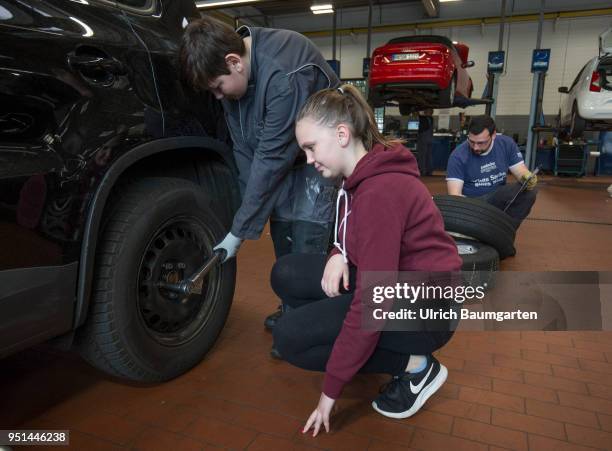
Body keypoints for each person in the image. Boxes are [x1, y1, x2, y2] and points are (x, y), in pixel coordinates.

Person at [271, 85, 462, 435]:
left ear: (342, 134)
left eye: (311, 148)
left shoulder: (379, 192)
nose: (309, 160)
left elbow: (374, 299)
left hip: (427, 311)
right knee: (286, 273)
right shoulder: (357, 177)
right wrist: (337, 253)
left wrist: (331, 391)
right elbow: (354, 238)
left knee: (289, 339)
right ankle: (355, 340)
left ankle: (417, 366)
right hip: (396, 284)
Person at [180, 18, 340, 331]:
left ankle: (311, 321)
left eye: (217, 87)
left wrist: (238, 232)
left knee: (308, 236)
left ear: (234, 62)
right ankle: (293, 306)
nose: (217, 96)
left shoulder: (284, 73)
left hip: (319, 157)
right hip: (283, 156)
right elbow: (244, 149)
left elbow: (271, 158)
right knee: (283, 232)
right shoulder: (235, 82)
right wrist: (243, 214)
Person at [446, 115, 538, 228]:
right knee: (509, 191)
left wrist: (526, 177)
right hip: (472, 203)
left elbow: (519, 170)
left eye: (481, 143)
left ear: (493, 135)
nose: (475, 147)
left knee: (528, 192)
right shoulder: (458, 156)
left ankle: (506, 231)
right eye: (471, 141)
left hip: (498, 197)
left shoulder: (506, 144)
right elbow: (455, 196)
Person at [417, 108, 434, 176]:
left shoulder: (423, 118)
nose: (424, 111)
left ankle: (422, 171)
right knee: (429, 155)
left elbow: (418, 114)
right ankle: (429, 171)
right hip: (430, 139)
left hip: (423, 139)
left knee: (422, 155)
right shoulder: (431, 118)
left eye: (426, 110)